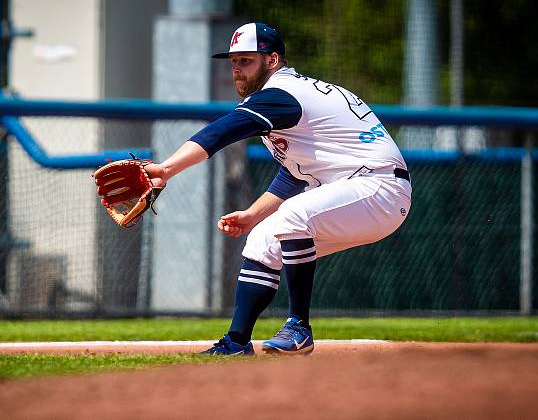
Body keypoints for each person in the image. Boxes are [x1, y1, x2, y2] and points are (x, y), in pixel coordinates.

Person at [144, 22, 412, 355]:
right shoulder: (290, 96)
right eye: (234, 62)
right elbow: (294, 173)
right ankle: (236, 343)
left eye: (247, 60)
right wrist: (252, 214)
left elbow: (219, 133)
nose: (238, 69)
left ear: (272, 60)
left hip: (379, 187)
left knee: (293, 215)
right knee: (262, 239)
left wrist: (166, 169)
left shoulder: (281, 95)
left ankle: (299, 327)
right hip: (359, 190)